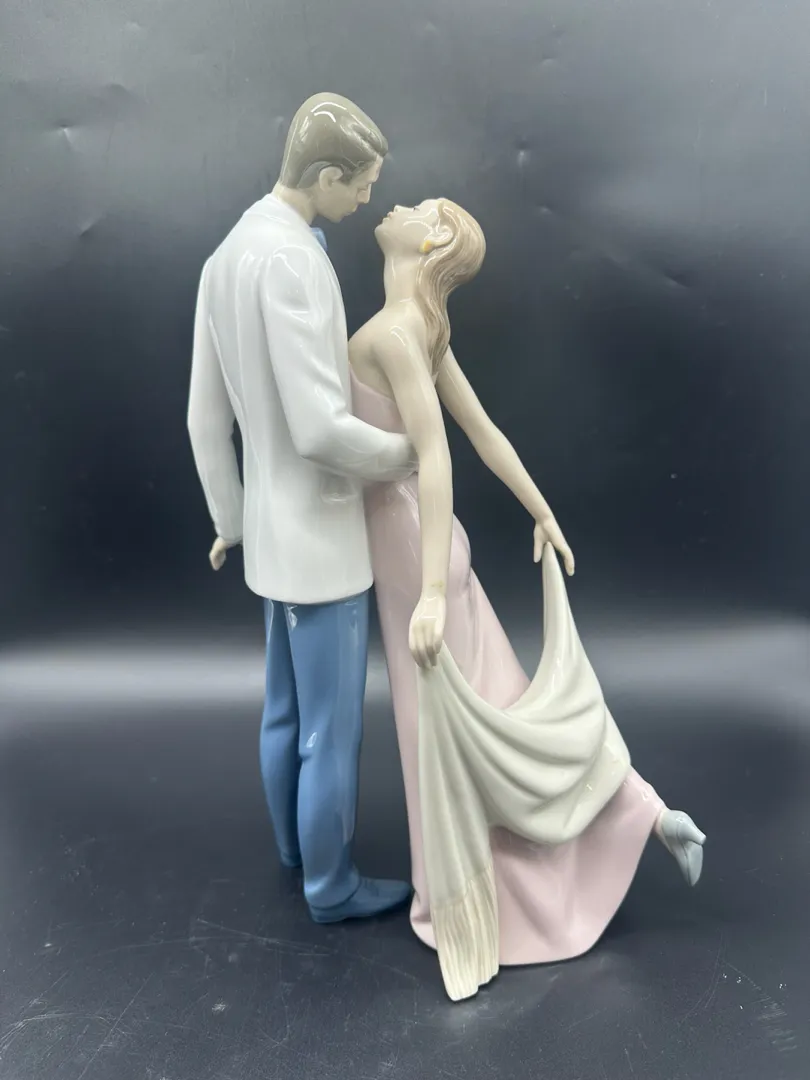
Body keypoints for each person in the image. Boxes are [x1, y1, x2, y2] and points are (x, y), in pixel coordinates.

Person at [347, 198, 707, 1000]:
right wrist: (542, 510)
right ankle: (646, 813)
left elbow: (439, 455)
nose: (399, 205)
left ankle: (476, 905)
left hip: (413, 556)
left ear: (431, 242)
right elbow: (485, 431)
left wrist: (429, 592)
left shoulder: (395, 334)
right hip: (434, 548)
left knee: (449, 741)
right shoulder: (423, 331)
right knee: (504, 711)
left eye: (419, 208)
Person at [187, 94, 416, 924]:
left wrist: (231, 520)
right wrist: (407, 455)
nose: (367, 198)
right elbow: (320, 429)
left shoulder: (225, 255)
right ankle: (331, 883)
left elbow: (203, 418)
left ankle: (294, 851)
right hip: (322, 537)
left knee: (283, 712)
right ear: (324, 175)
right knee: (331, 728)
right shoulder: (295, 263)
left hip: (270, 538)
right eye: (361, 183)